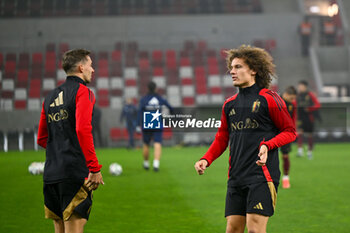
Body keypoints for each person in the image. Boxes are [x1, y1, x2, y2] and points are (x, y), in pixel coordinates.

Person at [194, 45, 296, 233]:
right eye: (231, 67)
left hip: (262, 175)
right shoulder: (229, 104)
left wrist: (268, 145)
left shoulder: (270, 99)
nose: (232, 71)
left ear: (254, 70)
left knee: (255, 229)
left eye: (238, 67)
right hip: (236, 176)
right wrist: (206, 159)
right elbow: (222, 137)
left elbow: (290, 131)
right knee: (232, 229)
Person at [37, 49, 104, 233]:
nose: (93, 69)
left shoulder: (49, 97)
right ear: (81, 67)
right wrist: (94, 168)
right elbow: (83, 129)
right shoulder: (84, 92)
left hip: (51, 174)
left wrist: (60, 149)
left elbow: (42, 138)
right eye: (90, 65)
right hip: (73, 174)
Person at [138, 81, 173, 172]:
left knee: (146, 144)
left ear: (148, 88)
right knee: (157, 143)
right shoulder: (159, 98)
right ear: (155, 88)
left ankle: (146, 163)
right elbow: (170, 107)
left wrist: (139, 125)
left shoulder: (144, 99)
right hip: (157, 122)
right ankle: (156, 164)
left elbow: (139, 112)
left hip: (147, 122)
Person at [296, 80, 321, 160]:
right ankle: (300, 151)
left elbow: (317, 105)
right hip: (300, 117)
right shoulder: (298, 95)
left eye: (301, 86)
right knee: (300, 133)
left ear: (305, 87)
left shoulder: (310, 95)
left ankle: (309, 152)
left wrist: (310, 109)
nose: (300, 88)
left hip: (309, 117)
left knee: (309, 135)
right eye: (299, 86)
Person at [280, 86, 297, 189]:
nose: (293, 100)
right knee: (266, 156)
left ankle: (286, 178)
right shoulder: (276, 100)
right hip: (273, 132)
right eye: (291, 98)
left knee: (285, 156)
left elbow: (293, 118)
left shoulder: (292, 104)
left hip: (285, 132)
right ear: (285, 94)